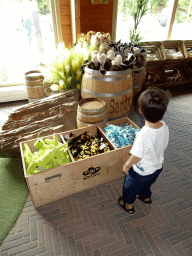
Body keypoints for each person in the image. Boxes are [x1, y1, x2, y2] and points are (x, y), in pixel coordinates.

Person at [118, 87, 171, 214]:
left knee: (129, 187)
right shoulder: (164, 126)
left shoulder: (142, 135)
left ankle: (128, 205)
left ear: (140, 111)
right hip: (157, 168)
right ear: (164, 111)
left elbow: (136, 156)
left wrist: (127, 165)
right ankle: (145, 198)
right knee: (147, 185)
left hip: (140, 172)